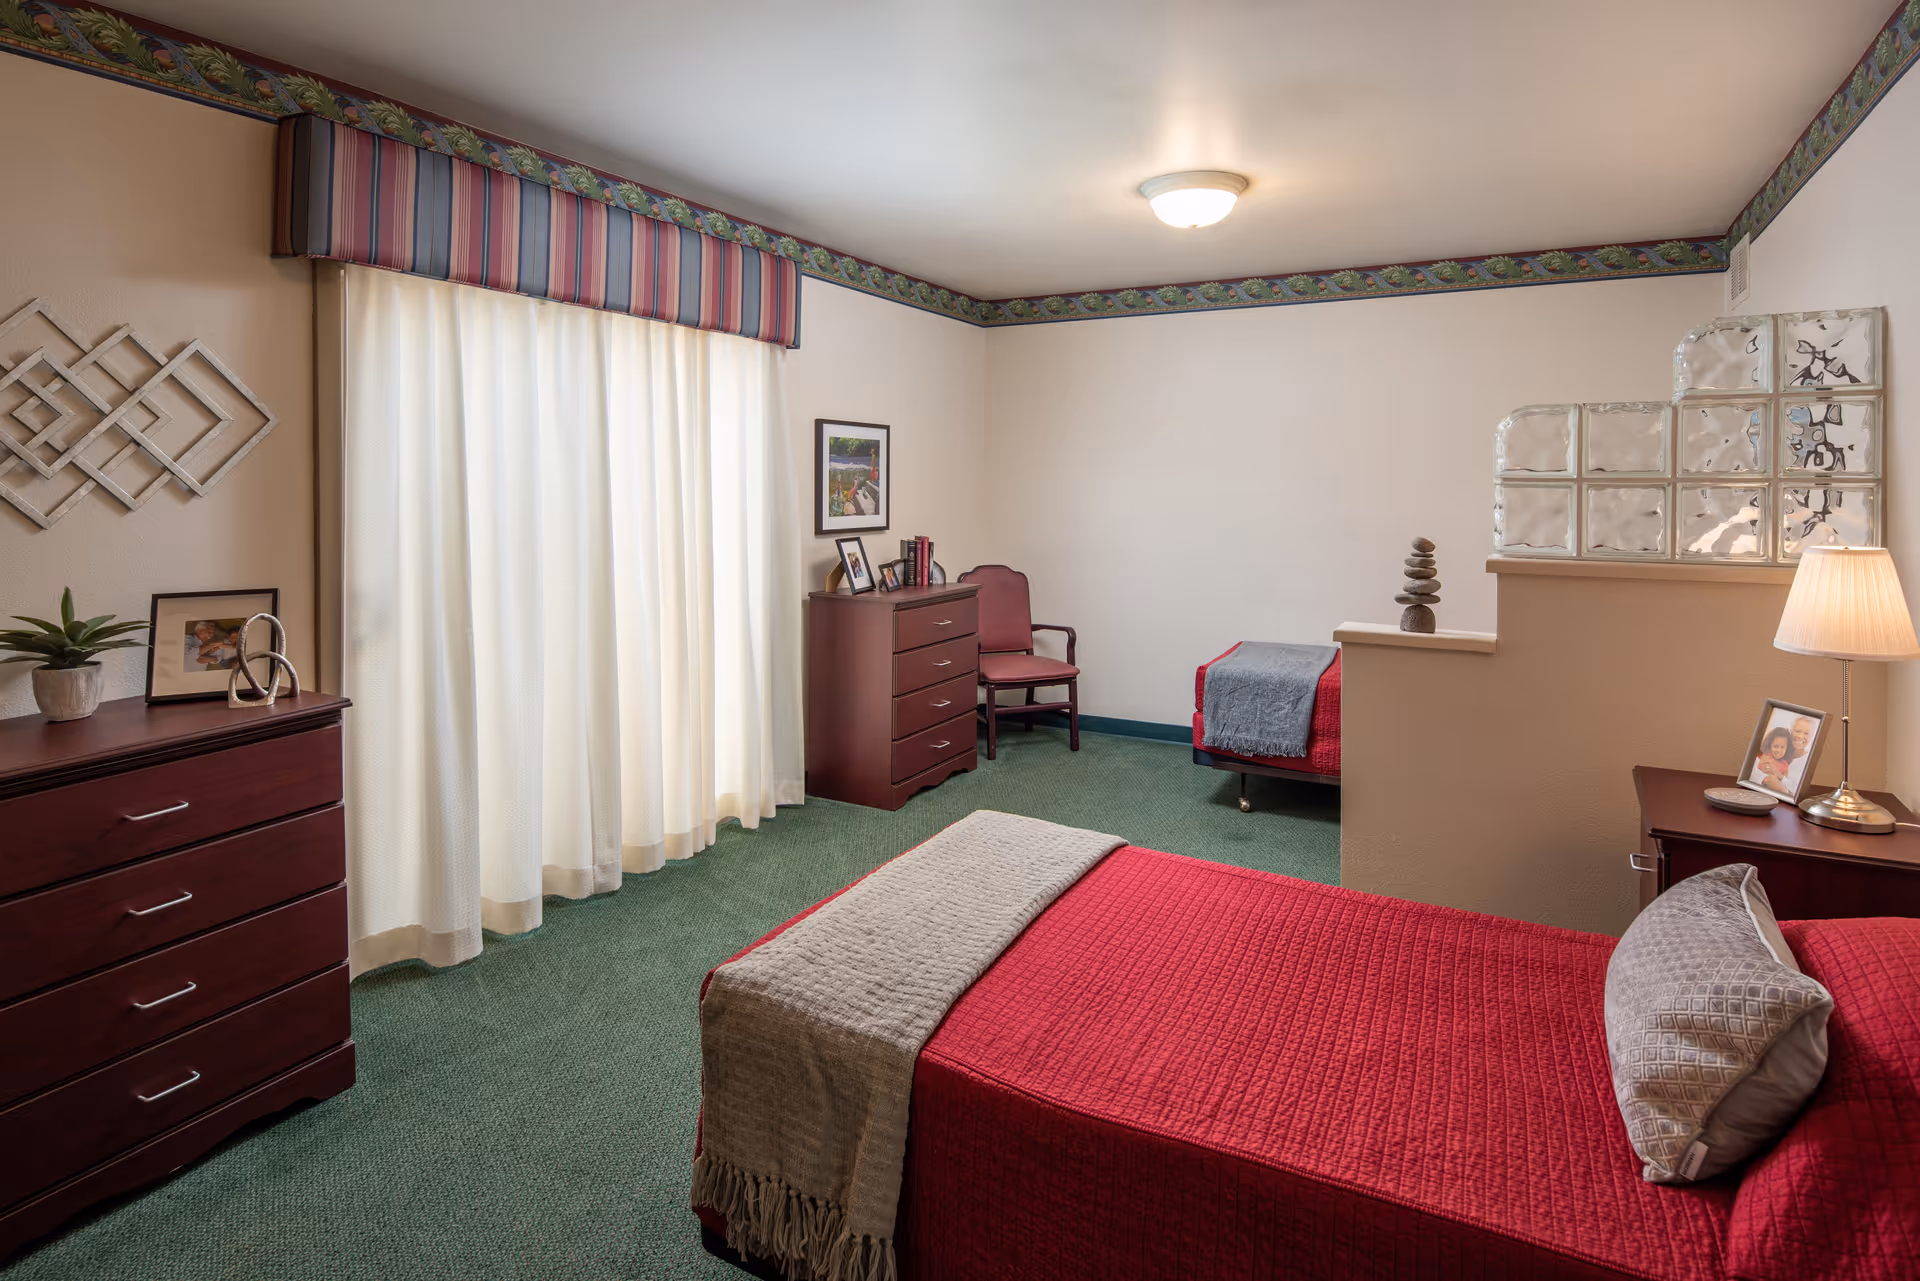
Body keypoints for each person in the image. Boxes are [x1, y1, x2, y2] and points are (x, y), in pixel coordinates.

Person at [1751, 726, 1795, 795]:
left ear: (1787, 748)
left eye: (1782, 747)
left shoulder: (1785, 764)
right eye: (1775, 746)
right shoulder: (1766, 757)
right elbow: (1764, 771)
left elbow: (1785, 780)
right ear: (1770, 746)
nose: (1778, 750)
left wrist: (1779, 776)